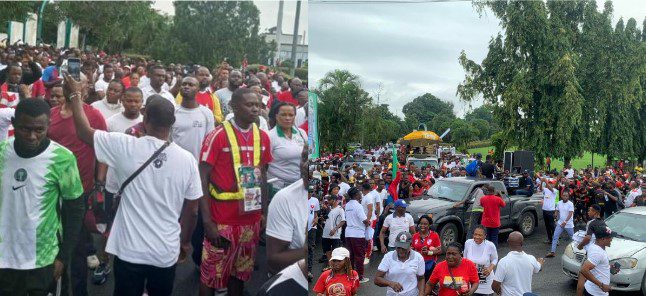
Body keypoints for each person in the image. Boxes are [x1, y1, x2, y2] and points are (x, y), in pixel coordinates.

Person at [68, 69, 202, 296]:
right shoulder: (188, 160)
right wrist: (185, 242)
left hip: (129, 250)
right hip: (165, 251)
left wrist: (74, 96)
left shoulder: (126, 145)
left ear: (145, 118)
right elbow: (192, 209)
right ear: (172, 122)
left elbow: (83, 132)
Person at [0, 99, 84, 296]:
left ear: (49, 125)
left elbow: (75, 209)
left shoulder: (62, 158)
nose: (31, 136)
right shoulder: (2, 152)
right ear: (13, 123)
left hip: (43, 259)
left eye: (39, 130)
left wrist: (64, 256)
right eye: (24, 129)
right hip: (4, 258)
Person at [199, 87, 272, 296]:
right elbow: (201, 176)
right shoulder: (217, 135)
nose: (255, 109)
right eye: (249, 105)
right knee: (211, 275)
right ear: (234, 106)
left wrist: (263, 212)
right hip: (221, 221)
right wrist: (207, 222)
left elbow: (263, 176)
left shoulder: (263, 138)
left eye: (257, 104)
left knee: (240, 274)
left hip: (250, 221)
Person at [48, 73, 109, 292]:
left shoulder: (94, 115)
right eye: (66, 82)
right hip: (51, 194)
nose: (70, 86)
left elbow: (104, 153)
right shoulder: (51, 114)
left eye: (76, 82)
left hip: (80, 193)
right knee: (53, 246)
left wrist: (99, 185)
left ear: (86, 87)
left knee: (77, 250)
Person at [265, 146, 309, 275]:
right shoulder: (284, 199)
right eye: (304, 158)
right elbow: (273, 261)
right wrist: (306, 251)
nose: (306, 165)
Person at [267, 102, 307, 199]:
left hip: (299, 187)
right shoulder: (269, 136)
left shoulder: (301, 133)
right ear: (276, 116)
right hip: (278, 189)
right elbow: (263, 165)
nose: (287, 118)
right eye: (283, 115)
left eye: (291, 115)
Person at [492, 231, 544, 296]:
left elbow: (495, 285)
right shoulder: (531, 259)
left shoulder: (503, 262)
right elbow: (538, 268)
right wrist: (540, 263)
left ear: (508, 242)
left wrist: (499, 291)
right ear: (522, 243)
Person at [374, 231, 425, 296]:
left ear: (410, 245)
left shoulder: (418, 257)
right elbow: (377, 279)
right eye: (398, 247)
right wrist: (390, 283)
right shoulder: (388, 257)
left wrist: (421, 294)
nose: (401, 250)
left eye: (404, 248)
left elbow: (421, 278)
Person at [578, 226, 615, 296]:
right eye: (610, 237)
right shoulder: (597, 252)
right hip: (596, 293)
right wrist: (601, 285)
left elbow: (596, 265)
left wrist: (608, 267)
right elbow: (584, 269)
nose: (611, 239)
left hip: (593, 291)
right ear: (603, 239)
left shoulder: (596, 247)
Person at [345, 186, 370, 283]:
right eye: (359, 193)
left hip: (348, 233)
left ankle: (350, 275)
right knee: (359, 256)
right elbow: (364, 220)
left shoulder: (347, 205)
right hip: (358, 234)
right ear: (356, 195)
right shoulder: (358, 206)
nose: (361, 194)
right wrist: (368, 223)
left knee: (351, 255)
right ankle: (360, 277)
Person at [464, 225, 498, 296]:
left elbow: (495, 259)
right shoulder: (468, 243)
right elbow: (464, 259)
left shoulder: (490, 245)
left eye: (480, 235)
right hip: (472, 282)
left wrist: (489, 269)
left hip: (486, 283)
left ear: (485, 236)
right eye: (475, 234)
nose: (477, 237)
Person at [411, 215, 441, 281]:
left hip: (429, 265)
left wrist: (429, 252)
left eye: (425, 224)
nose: (422, 225)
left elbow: (439, 251)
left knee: (427, 283)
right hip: (417, 264)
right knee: (417, 282)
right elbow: (411, 249)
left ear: (429, 225)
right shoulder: (415, 236)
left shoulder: (434, 235)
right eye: (421, 223)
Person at [546, 191, 575, 258]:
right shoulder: (559, 203)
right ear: (561, 196)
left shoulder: (570, 204)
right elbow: (557, 210)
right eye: (564, 195)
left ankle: (575, 251)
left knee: (573, 239)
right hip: (560, 223)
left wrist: (565, 222)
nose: (565, 197)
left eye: (566, 196)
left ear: (568, 197)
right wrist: (555, 214)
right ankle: (552, 252)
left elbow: (570, 213)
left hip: (568, 224)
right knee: (555, 237)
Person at [321, 194, 346, 269]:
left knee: (335, 251)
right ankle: (330, 266)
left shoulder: (340, 209)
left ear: (334, 200)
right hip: (326, 233)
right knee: (327, 250)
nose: (328, 201)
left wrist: (335, 229)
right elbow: (327, 219)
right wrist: (323, 219)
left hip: (335, 234)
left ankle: (337, 267)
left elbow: (343, 221)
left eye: (329, 200)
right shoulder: (328, 208)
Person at [361, 182, 380, 264]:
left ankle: (368, 256)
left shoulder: (368, 197)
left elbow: (370, 209)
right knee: (366, 238)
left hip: (370, 220)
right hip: (368, 220)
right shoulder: (366, 196)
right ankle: (365, 254)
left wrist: (368, 220)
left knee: (369, 238)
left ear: (363, 189)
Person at [307, 187, 321, 280]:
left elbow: (315, 214)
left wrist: (316, 219)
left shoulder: (315, 200)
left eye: (312, 192)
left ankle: (308, 271)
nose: (311, 193)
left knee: (310, 248)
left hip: (311, 228)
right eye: (309, 191)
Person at [541, 178, 557, 244]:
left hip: (551, 211)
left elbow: (550, 188)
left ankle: (556, 240)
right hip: (545, 210)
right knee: (547, 226)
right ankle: (549, 239)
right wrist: (542, 182)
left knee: (552, 226)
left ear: (554, 184)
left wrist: (546, 181)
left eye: (551, 183)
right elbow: (540, 188)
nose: (550, 184)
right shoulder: (546, 189)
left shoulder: (555, 190)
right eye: (549, 183)